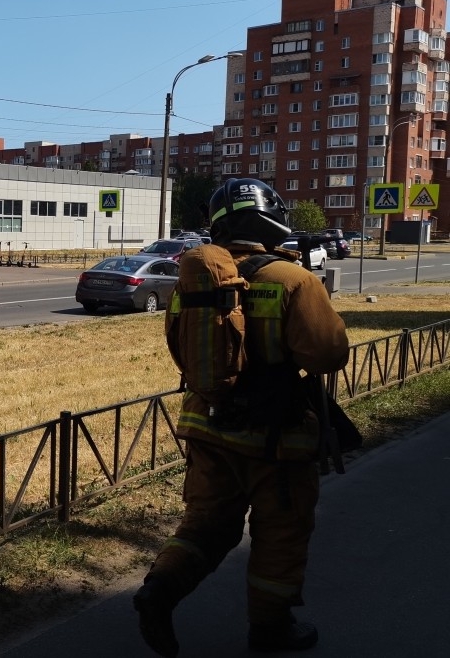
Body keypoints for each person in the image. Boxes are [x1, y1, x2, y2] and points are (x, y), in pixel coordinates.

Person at [134, 178, 349, 656]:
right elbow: (328, 356)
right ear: (271, 218)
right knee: (280, 532)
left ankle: (159, 591)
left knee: (205, 524)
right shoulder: (293, 281)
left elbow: (179, 344)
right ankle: (270, 630)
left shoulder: (196, 280)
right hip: (277, 439)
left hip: (206, 424)